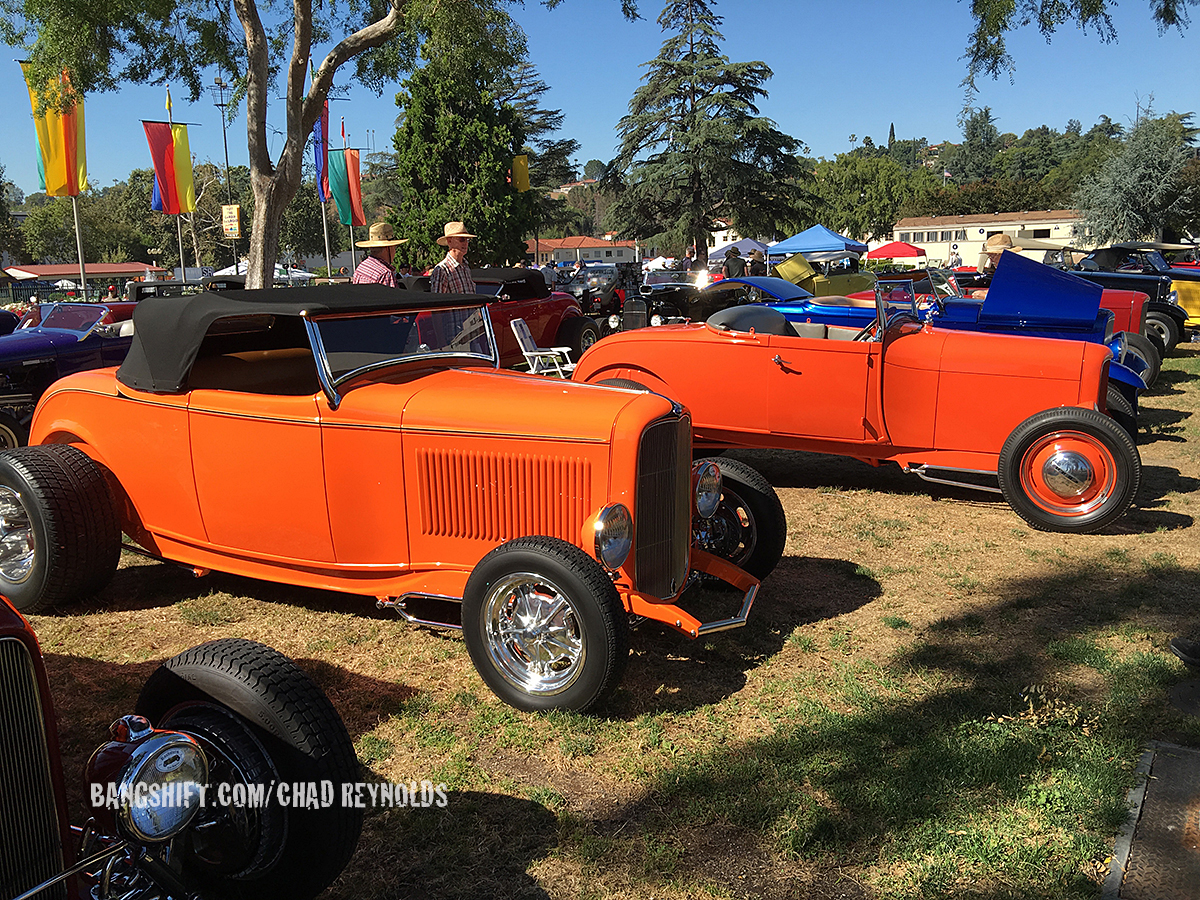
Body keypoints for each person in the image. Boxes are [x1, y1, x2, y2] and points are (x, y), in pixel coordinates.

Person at [352, 222, 408, 287]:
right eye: (394, 247)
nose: (395, 251)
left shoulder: (361, 268)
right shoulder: (385, 274)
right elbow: (392, 297)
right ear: (388, 248)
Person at [431, 221, 477, 293]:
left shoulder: (466, 267)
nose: (466, 243)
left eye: (468, 239)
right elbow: (437, 301)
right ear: (449, 241)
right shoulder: (442, 270)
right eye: (462, 239)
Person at [970, 234, 1020, 298]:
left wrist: (985, 296)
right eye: (990, 255)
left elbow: (1013, 296)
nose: (991, 259)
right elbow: (1000, 289)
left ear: (1004, 255)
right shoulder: (1003, 270)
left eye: (994, 255)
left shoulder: (1014, 271)